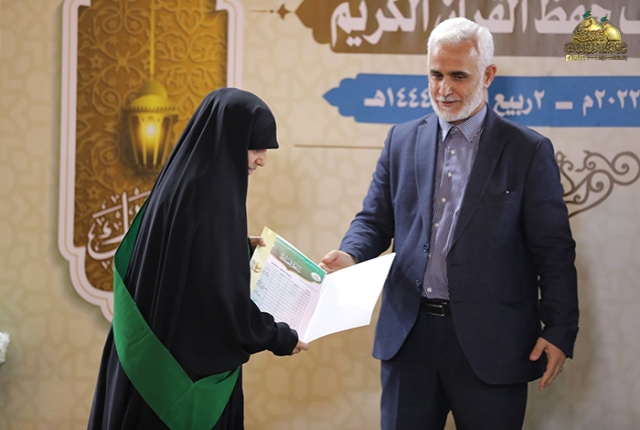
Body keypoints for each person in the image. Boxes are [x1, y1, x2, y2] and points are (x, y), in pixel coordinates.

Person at [320, 17, 578, 430]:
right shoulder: (401, 140)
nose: (444, 89)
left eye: (458, 76)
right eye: (436, 75)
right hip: (409, 339)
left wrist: (561, 328)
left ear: (487, 75)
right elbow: (374, 219)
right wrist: (350, 254)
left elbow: (554, 251)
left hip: (494, 344)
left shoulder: (527, 150)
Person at [88, 88, 309, 430]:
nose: (262, 160)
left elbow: (184, 263)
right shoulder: (214, 200)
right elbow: (222, 304)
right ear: (230, 140)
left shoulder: (180, 185)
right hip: (180, 383)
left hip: (148, 369)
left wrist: (234, 249)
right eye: (256, 148)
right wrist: (278, 337)